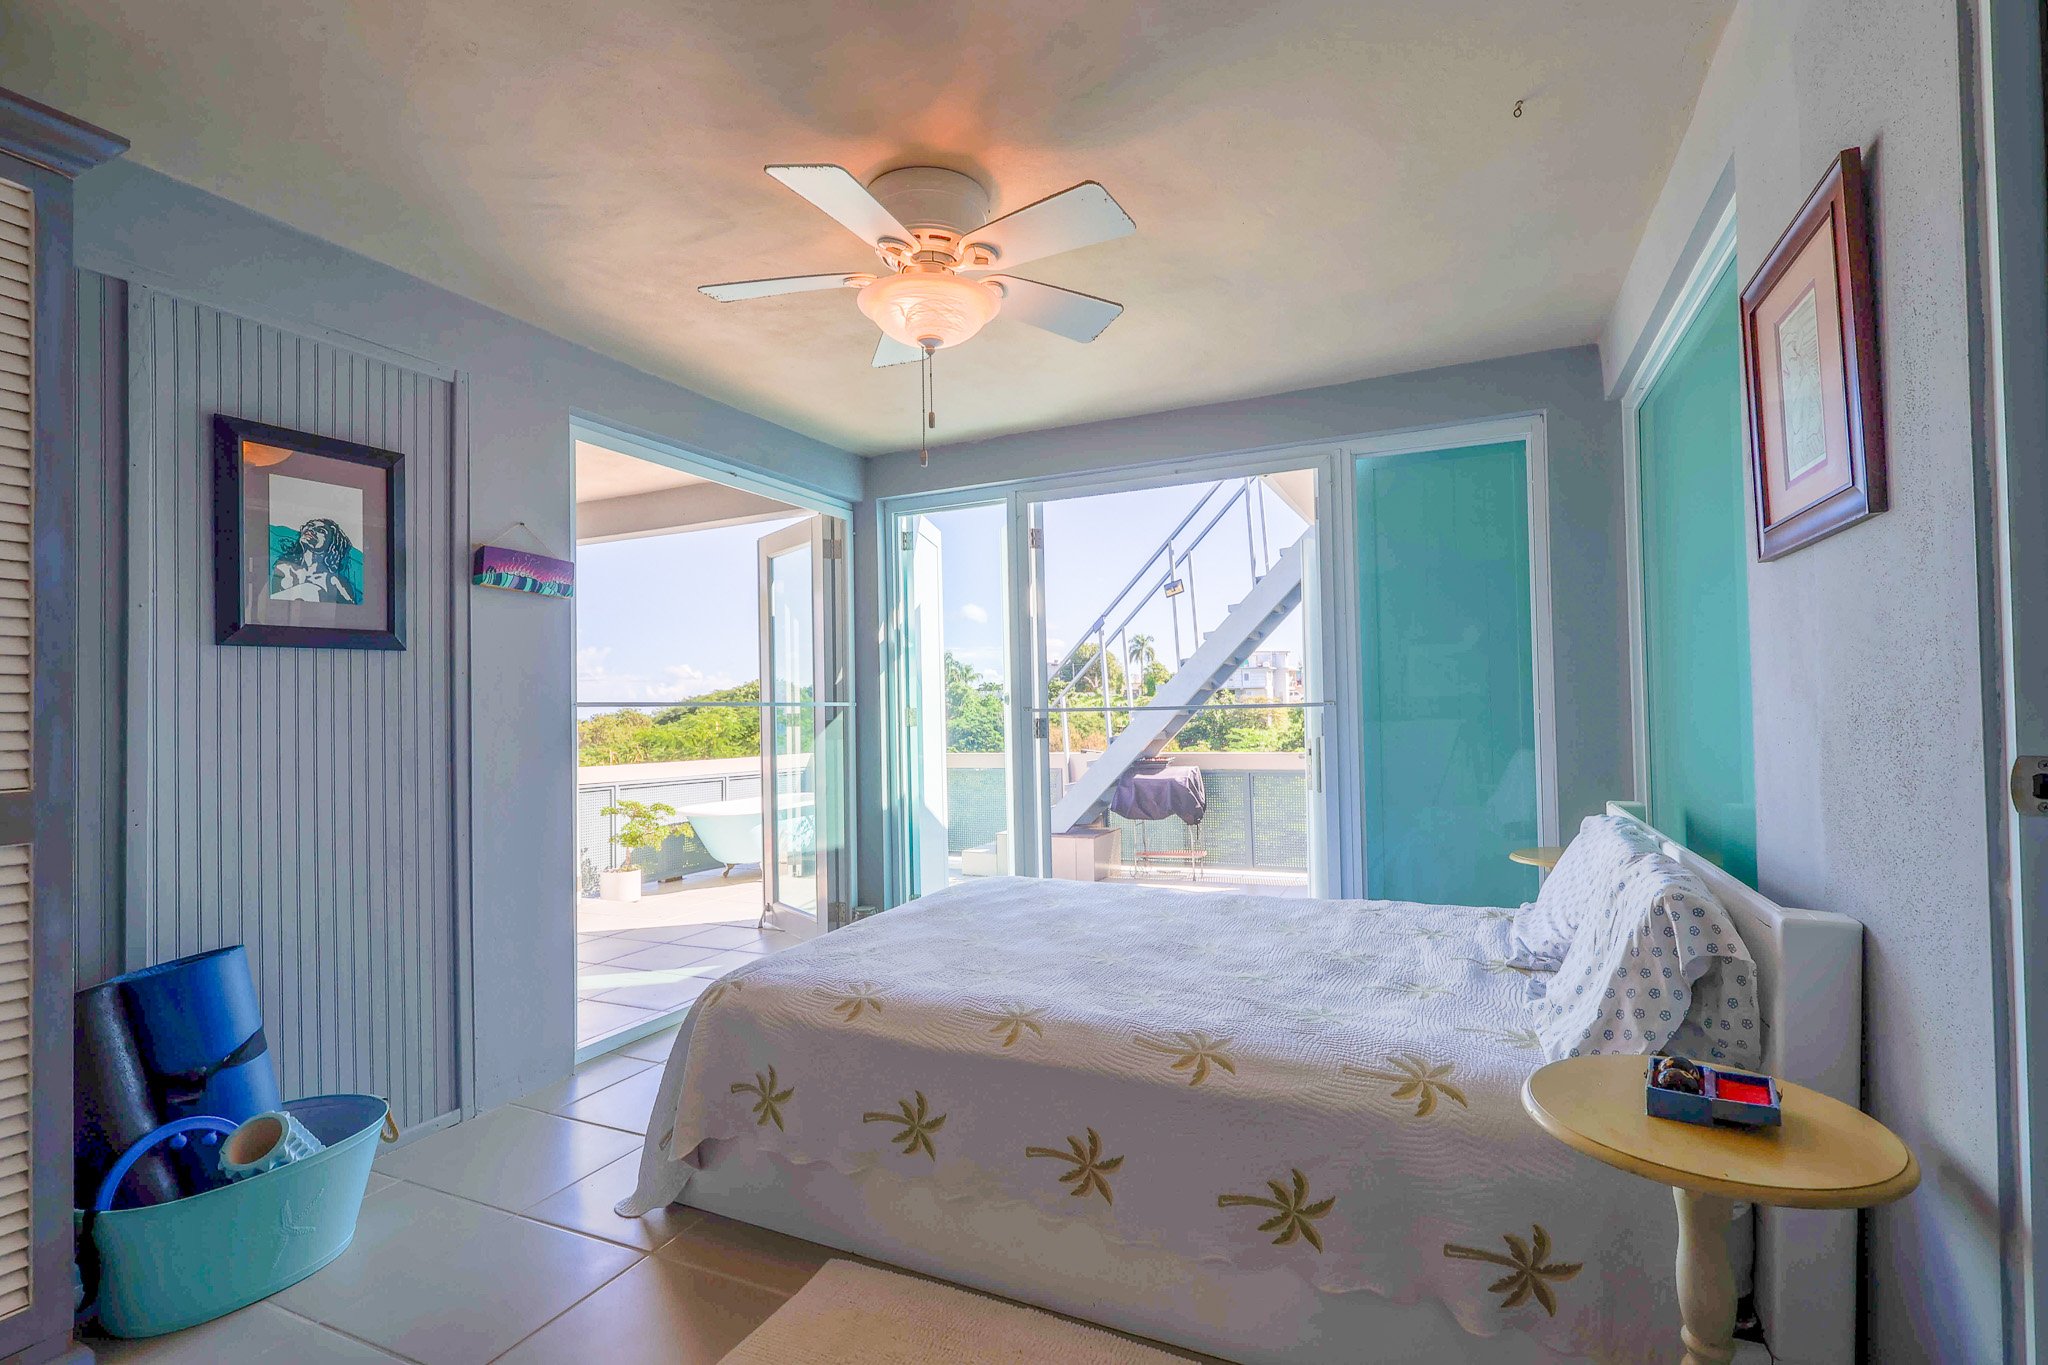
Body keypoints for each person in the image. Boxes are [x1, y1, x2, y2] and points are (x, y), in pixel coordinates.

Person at [270, 517, 359, 603]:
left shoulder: (333, 580)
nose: (311, 529)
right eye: (310, 525)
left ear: (331, 544)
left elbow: (352, 613)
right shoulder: (283, 568)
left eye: (321, 531)